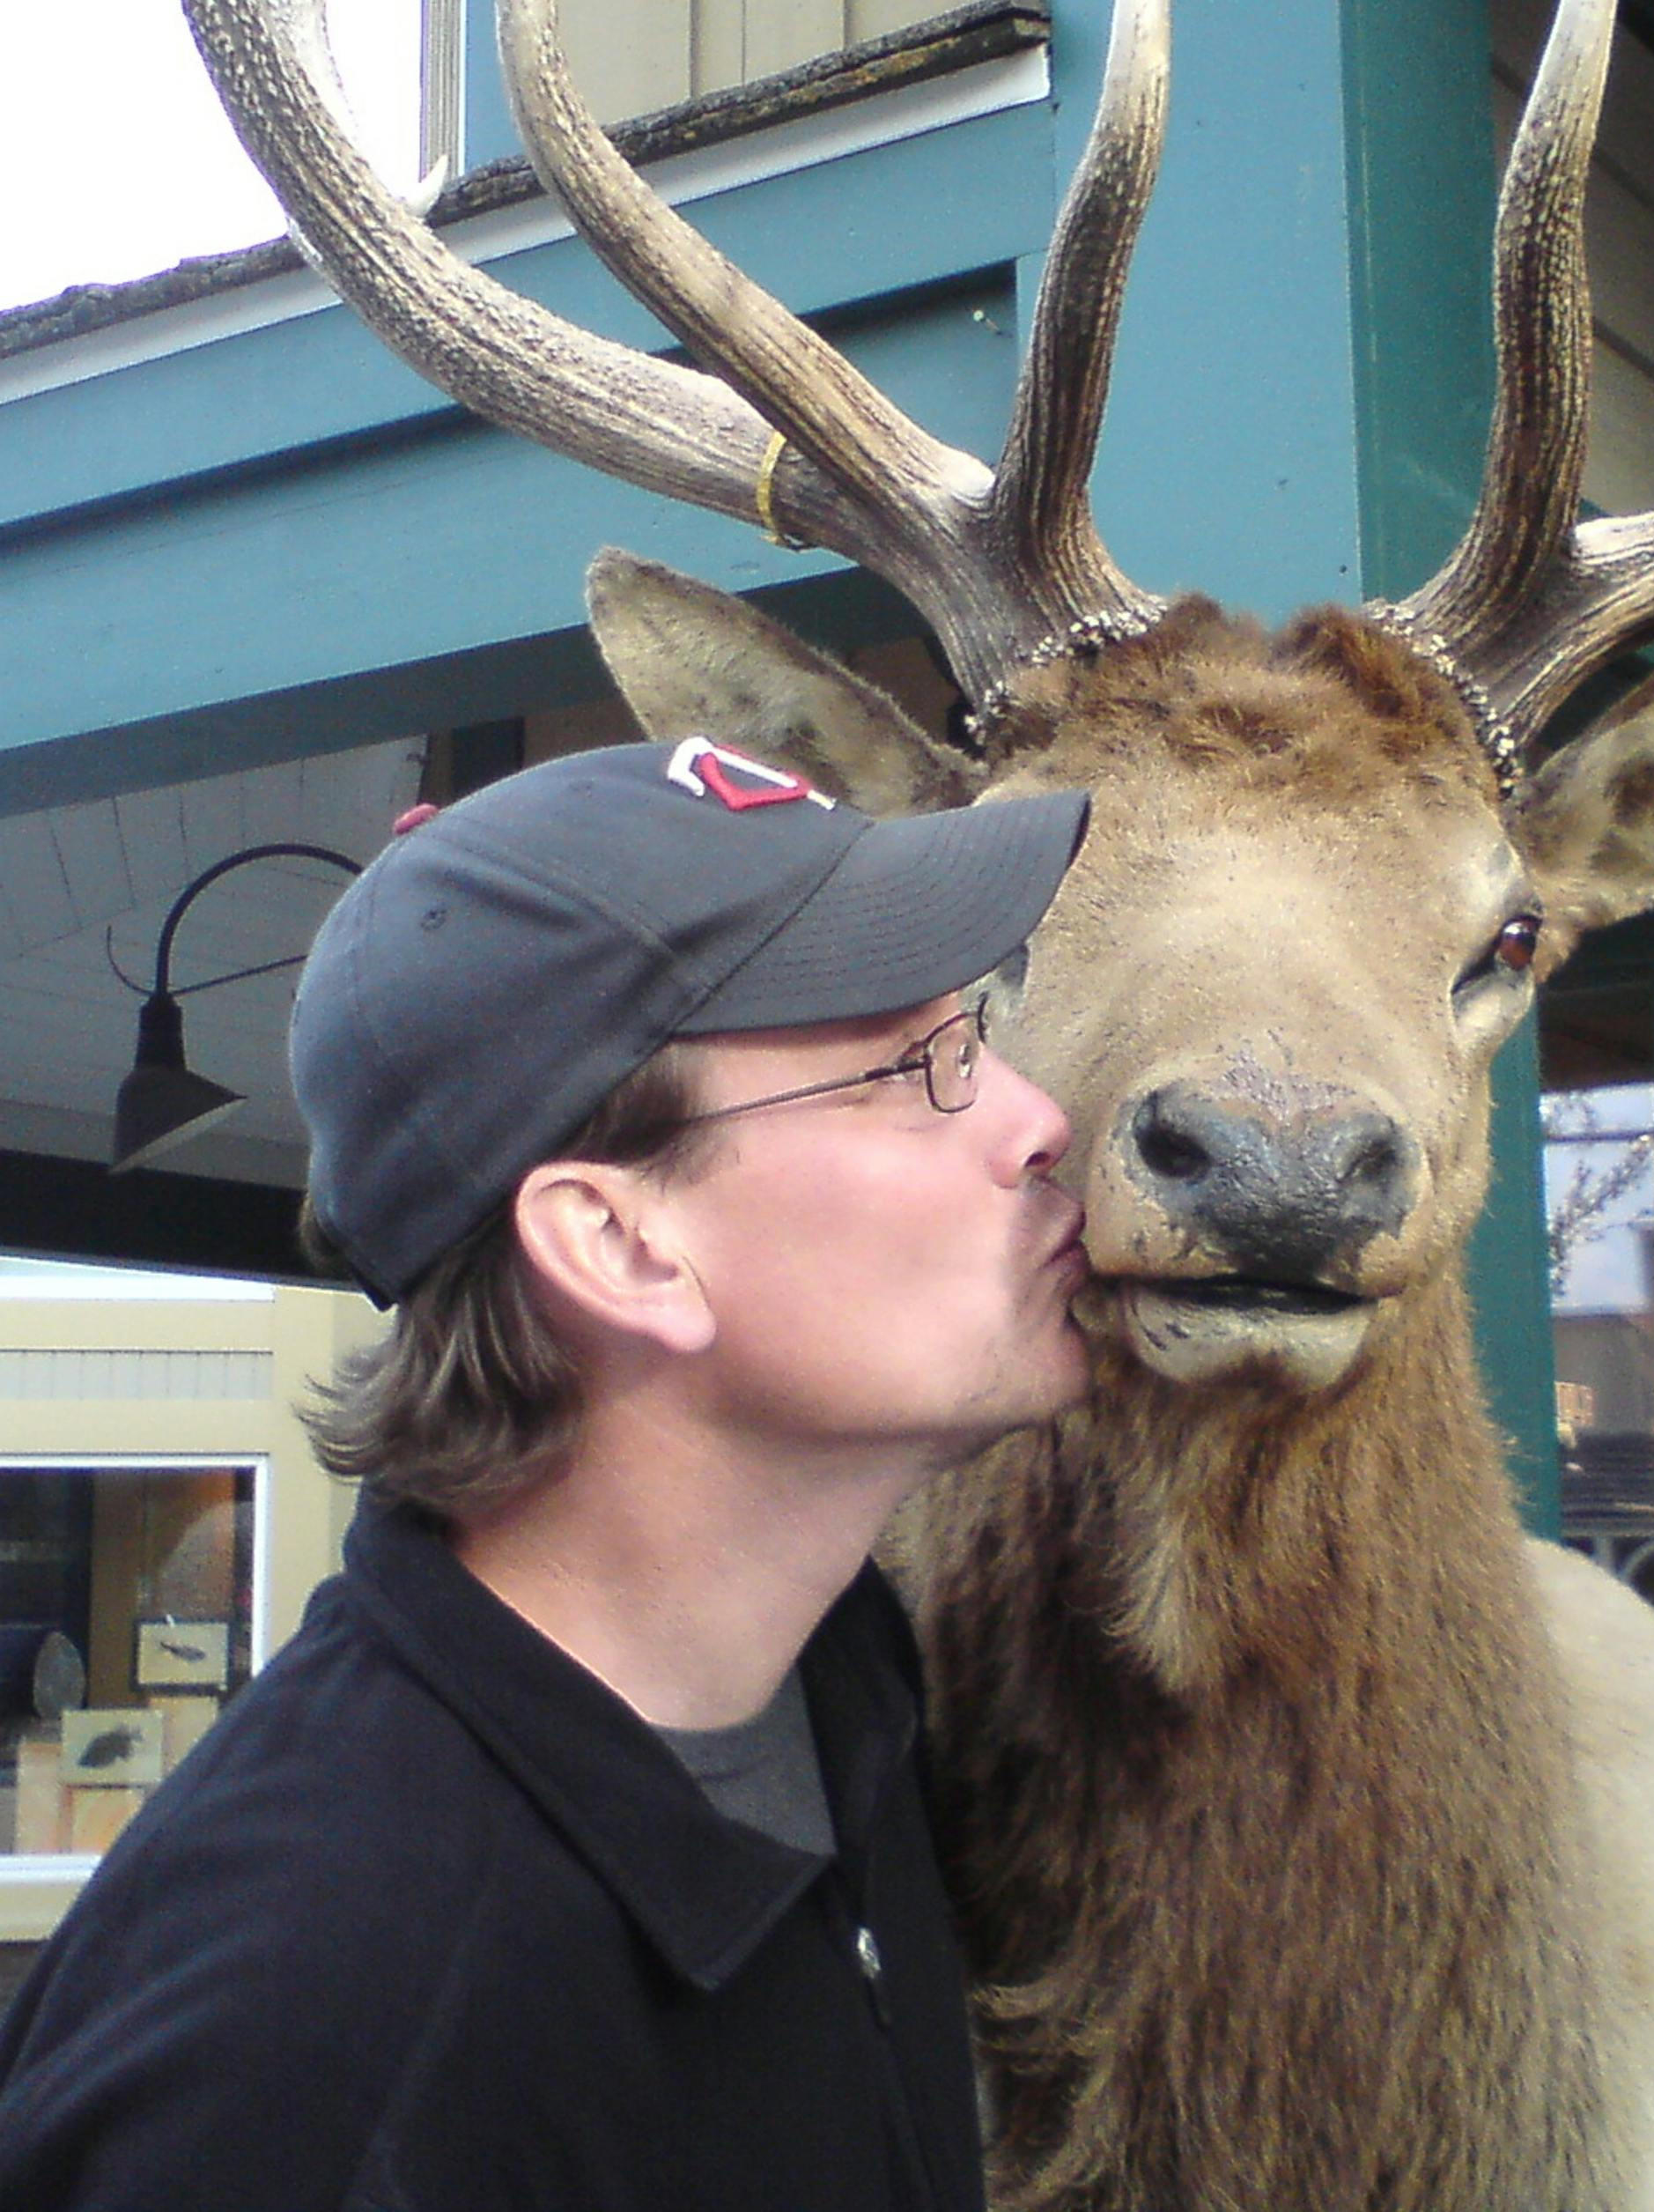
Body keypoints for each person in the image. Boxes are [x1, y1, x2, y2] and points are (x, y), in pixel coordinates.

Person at [0, 736, 1093, 2212]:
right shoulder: (312, 2064)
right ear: (619, 1244)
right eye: (921, 1068)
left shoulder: (841, 1677)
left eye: (983, 1025)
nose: (1038, 1120)